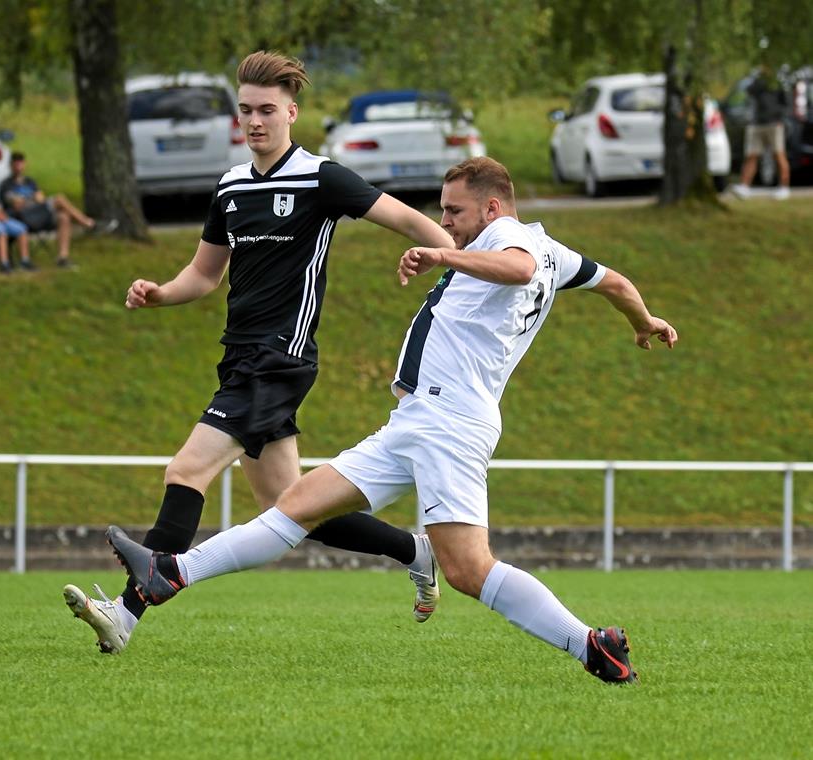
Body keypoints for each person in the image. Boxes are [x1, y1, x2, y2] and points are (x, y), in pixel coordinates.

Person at [108, 157, 679, 685]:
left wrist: (442, 256)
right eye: (442, 210)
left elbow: (516, 268)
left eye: (454, 210)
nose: (445, 221)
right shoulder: (556, 251)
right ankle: (171, 574)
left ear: (493, 208)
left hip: (448, 423)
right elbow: (618, 284)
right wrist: (644, 320)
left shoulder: (510, 241)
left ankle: (590, 645)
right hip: (417, 420)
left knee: (468, 569)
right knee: (295, 505)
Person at [64, 50, 459, 656]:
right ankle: (416, 550)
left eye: (267, 110)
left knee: (186, 470)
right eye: (245, 110)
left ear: (291, 112)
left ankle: (127, 611)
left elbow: (408, 220)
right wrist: (159, 293)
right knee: (290, 506)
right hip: (240, 355)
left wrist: (452, 263)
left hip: (280, 357)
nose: (255, 121)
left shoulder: (321, 178)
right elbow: (204, 275)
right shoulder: (230, 187)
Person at [0, 152, 114, 269]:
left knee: (63, 217)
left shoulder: (30, 182)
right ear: (11, 165)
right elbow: (17, 205)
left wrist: (28, 200)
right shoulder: (6, 185)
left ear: (25, 164)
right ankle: (89, 224)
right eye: (16, 164)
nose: (19, 167)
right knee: (59, 199)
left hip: (39, 215)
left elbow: (41, 198)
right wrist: (32, 199)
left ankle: (62, 258)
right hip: (22, 218)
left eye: (21, 163)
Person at [732, 65, 791, 200]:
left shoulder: (779, 82)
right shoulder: (757, 82)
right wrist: (757, 77)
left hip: (774, 124)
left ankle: (784, 187)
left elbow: (786, 103)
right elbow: (749, 91)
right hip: (757, 123)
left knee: (779, 155)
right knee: (751, 155)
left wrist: (780, 118)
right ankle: (745, 187)